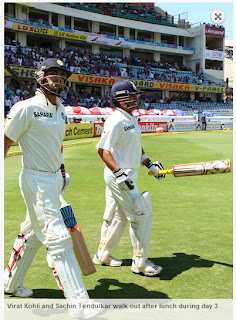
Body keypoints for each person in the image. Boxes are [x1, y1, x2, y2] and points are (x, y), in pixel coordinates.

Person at [4, 58, 101, 318]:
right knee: (57, 237)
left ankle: (10, 283)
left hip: (53, 179)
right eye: (52, 74)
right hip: (35, 179)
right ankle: (79, 302)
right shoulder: (25, 108)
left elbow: (58, 144)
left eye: (61, 75)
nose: (58, 79)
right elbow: (5, 140)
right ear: (40, 77)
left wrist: (62, 170)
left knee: (32, 233)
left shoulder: (61, 110)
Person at [93, 80, 165, 276]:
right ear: (121, 98)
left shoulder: (131, 118)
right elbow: (102, 149)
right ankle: (140, 263)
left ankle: (103, 255)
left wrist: (149, 162)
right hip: (119, 174)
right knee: (139, 213)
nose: (135, 99)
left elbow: (135, 147)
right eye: (132, 95)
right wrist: (118, 173)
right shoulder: (116, 120)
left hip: (129, 172)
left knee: (117, 216)